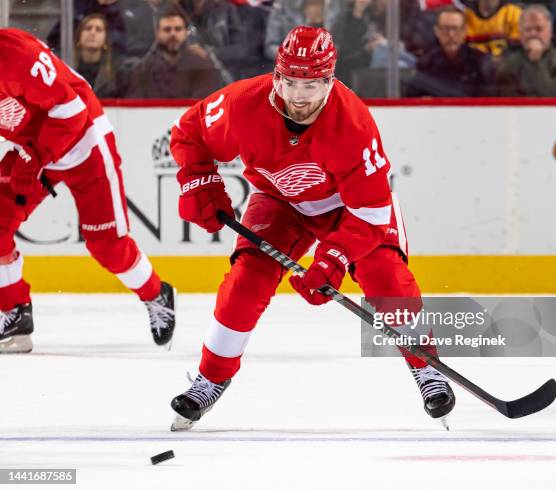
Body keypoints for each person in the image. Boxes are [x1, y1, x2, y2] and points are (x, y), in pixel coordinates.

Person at [168, 26, 455, 431]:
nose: (300, 97)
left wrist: (334, 258)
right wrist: (200, 180)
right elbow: (189, 132)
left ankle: (426, 367)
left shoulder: (354, 125)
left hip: (350, 210)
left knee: (386, 277)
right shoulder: (242, 104)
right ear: (276, 77)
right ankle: (210, 378)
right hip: (279, 200)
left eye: (313, 85)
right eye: (291, 83)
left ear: (330, 81)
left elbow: (372, 215)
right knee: (246, 280)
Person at [0, 28, 176, 353]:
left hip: (84, 143)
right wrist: (31, 156)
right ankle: (15, 315)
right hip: (33, 150)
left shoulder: (16, 55)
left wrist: (36, 159)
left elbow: (72, 111)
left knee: (107, 246)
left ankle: (156, 293)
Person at [126, 8, 223, 99]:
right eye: (167, 29)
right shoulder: (144, 68)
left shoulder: (201, 65)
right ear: (157, 34)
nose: (173, 34)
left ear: (185, 32)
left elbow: (204, 103)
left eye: (178, 29)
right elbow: (134, 104)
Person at [407, 6, 495, 96]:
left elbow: (490, 100)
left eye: (455, 29)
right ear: (437, 32)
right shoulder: (426, 63)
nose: (451, 34)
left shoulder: (480, 62)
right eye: (445, 29)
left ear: (464, 32)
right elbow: (412, 99)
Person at [496, 4, 556, 96]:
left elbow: (552, 98)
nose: (533, 34)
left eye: (539, 29)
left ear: (550, 32)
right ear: (521, 34)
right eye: (528, 29)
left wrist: (535, 62)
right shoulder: (508, 63)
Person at [74, 14, 127, 98]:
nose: (92, 33)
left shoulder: (116, 73)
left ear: (105, 42)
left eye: (98, 30)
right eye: (88, 28)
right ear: (78, 39)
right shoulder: (67, 69)